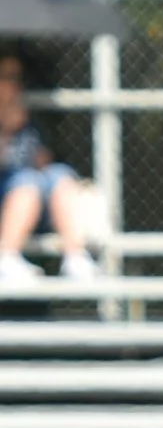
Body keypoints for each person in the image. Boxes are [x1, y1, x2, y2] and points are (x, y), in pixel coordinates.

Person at [0, 51, 95, 286]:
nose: (15, 85)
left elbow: (43, 164)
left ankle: (75, 258)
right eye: (8, 77)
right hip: (9, 196)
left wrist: (23, 129)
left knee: (59, 174)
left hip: (30, 202)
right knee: (26, 181)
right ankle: (5, 258)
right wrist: (6, 131)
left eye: (18, 78)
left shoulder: (27, 120)